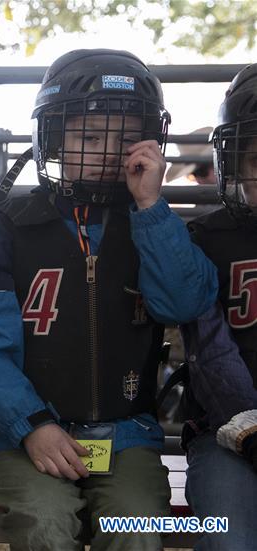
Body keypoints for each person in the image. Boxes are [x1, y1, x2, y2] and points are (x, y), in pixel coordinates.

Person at [0, 49, 218, 550]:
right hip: (26, 433)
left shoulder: (153, 223)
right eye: (90, 136)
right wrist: (31, 425)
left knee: (138, 527)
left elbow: (183, 303)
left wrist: (149, 206)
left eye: (125, 139)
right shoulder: (12, 229)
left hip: (126, 435)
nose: (107, 152)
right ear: (54, 139)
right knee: (43, 522)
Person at [182, 63, 257, 550]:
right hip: (226, 433)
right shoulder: (208, 238)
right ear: (235, 164)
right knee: (226, 536)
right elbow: (209, 348)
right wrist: (249, 426)